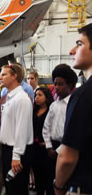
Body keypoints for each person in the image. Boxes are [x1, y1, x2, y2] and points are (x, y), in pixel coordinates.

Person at [55, 23, 92, 195]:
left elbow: (68, 157)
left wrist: (58, 186)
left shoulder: (83, 95)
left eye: (79, 44)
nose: (72, 51)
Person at [0, 63, 33, 195]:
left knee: (17, 189)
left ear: (14, 76)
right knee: (10, 188)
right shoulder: (9, 97)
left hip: (18, 151)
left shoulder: (21, 99)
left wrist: (16, 155)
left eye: (4, 74)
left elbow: (21, 128)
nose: (0, 77)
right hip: (8, 149)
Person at [42, 65, 77, 194]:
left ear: (70, 85)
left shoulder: (73, 105)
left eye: (60, 84)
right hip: (52, 147)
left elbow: (72, 131)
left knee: (62, 183)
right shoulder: (53, 105)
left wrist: (58, 150)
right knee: (50, 182)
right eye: (55, 84)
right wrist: (49, 146)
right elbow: (46, 127)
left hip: (66, 147)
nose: (56, 87)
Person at [32, 87, 54, 195]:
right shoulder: (33, 111)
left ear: (47, 97)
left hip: (47, 148)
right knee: (38, 178)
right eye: (36, 95)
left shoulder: (51, 110)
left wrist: (49, 142)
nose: (37, 98)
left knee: (49, 179)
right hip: (35, 147)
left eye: (40, 95)